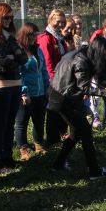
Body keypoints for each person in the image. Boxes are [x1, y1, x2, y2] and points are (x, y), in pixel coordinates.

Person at [49, 36, 106, 179]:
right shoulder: (81, 60)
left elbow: (80, 83)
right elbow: (84, 87)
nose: (105, 58)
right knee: (86, 131)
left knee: (77, 132)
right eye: (104, 55)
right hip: (63, 99)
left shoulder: (84, 54)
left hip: (65, 96)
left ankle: (58, 164)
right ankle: (94, 171)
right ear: (98, 52)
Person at [0, 3, 28, 174]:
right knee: (0, 124)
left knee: (10, 123)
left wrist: (14, 56)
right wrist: (14, 56)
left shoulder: (11, 37)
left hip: (15, 84)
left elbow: (23, 58)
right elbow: (3, 60)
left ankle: (8, 157)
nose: (9, 21)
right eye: (6, 17)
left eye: (11, 17)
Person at [15, 22, 50, 160]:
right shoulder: (19, 51)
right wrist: (23, 92)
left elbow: (43, 70)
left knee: (39, 120)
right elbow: (18, 73)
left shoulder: (38, 50)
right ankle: (23, 148)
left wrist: (47, 87)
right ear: (24, 35)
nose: (34, 38)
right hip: (27, 94)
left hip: (40, 93)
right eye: (31, 35)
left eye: (35, 35)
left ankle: (39, 143)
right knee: (22, 122)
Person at [37, 9, 69, 146]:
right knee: (53, 110)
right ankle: (52, 138)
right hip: (54, 80)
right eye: (58, 21)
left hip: (63, 78)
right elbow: (47, 62)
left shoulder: (59, 38)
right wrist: (52, 81)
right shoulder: (46, 38)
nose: (61, 24)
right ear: (50, 20)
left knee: (62, 107)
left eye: (63, 22)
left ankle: (62, 132)